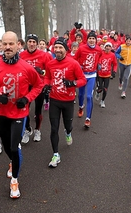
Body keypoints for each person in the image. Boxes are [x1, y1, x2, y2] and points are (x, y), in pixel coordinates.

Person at [0, 31, 43, 199]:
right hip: (0, 113)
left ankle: (14, 180)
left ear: (18, 45)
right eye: (4, 44)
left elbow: (39, 85)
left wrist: (27, 98)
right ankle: (12, 161)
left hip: (19, 114)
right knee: (7, 147)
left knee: (14, 148)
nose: (7, 47)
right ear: (1, 45)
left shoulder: (26, 67)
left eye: (11, 44)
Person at [43, 37, 86, 167]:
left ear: (66, 50)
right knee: (54, 128)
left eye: (60, 48)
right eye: (56, 48)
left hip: (68, 101)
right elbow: (47, 77)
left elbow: (83, 80)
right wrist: (46, 85)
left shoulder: (73, 64)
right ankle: (55, 154)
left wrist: (73, 83)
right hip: (54, 100)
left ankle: (68, 133)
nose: (57, 50)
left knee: (68, 125)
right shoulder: (50, 64)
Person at [20, 33, 53, 143]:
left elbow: (50, 71)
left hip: (39, 86)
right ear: (27, 43)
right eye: (30, 41)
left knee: (38, 110)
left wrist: (42, 72)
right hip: (26, 86)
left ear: (37, 44)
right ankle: (27, 129)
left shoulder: (45, 55)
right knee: (25, 108)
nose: (32, 44)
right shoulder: (21, 55)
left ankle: (37, 130)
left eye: (34, 42)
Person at [74, 30, 103, 128]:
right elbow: (75, 60)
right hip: (82, 75)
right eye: (90, 38)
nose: (91, 40)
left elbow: (100, 57)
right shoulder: (81, 49)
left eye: (93, 39)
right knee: (81, 94)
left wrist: (98, 64)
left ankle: (88, 119)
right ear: (87, 40)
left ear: (96, 40)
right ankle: (81, 107)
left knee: (89, 96)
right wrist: (79, 66)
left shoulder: (99, 49)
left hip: (92, 75)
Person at [95, 42, 117, 108]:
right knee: (100, 88)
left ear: (111, 48)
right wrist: (98, 64)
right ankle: (98, 92)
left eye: (109, 46)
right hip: (100, 75)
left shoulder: (112, 55)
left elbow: (115, 64)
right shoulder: (101, 53)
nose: (107, 48)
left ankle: (102, 101)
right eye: (106, 46)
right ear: (104, 47)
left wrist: (114, 71)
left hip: (107, 75)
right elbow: (97, 60)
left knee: (105, 89)